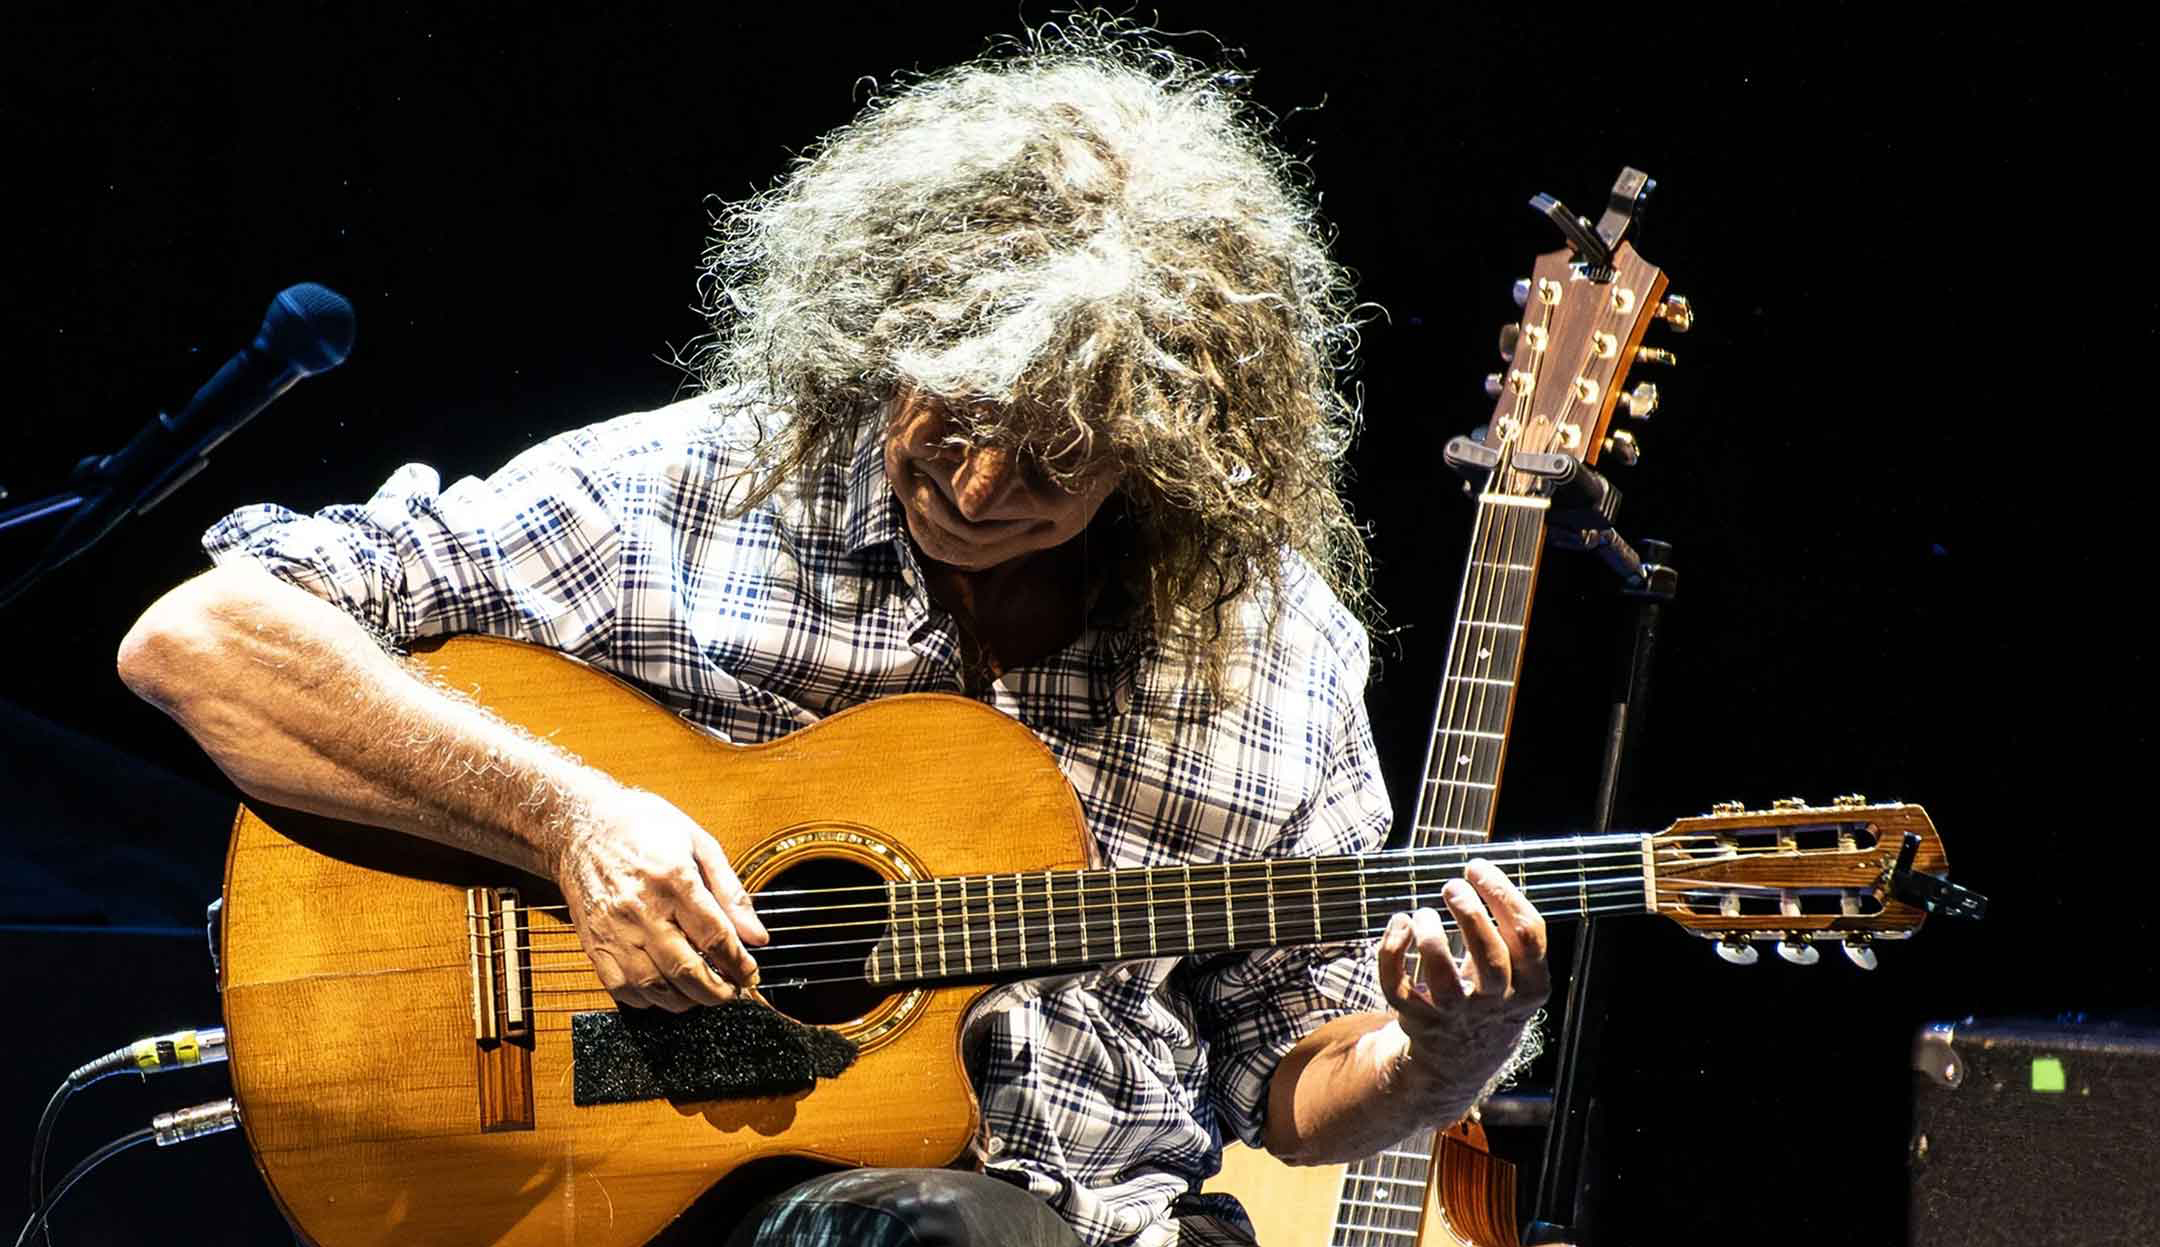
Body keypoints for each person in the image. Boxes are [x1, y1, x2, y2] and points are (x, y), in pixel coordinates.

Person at [116, 20, 1547, 1247]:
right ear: (883, 330)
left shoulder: (1272, 648)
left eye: (1059, 457)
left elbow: (1292, 1085)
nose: (980, 489)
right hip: (716, 1200)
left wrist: (1446, 1052)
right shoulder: (696, 489)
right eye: (956, 416)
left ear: (1172, 451)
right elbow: (201, 640)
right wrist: (571, 819)